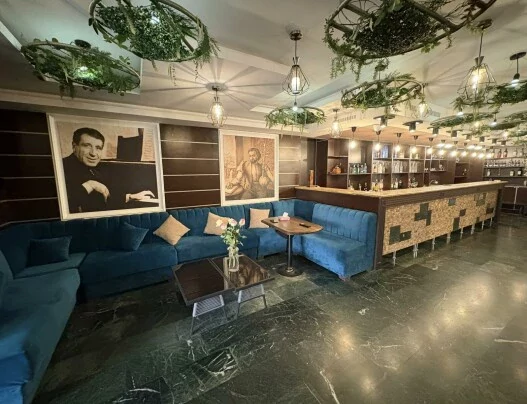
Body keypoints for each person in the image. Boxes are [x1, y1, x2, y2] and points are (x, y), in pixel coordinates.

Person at [62, 127, 155, 213]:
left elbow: (104, 198)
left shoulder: (93, 169)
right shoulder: (62, 168)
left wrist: (131, 196)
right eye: (87, 146)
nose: (93, 153)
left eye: (98, 148)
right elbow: (66, 203)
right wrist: (90, 185)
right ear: (74, 146)